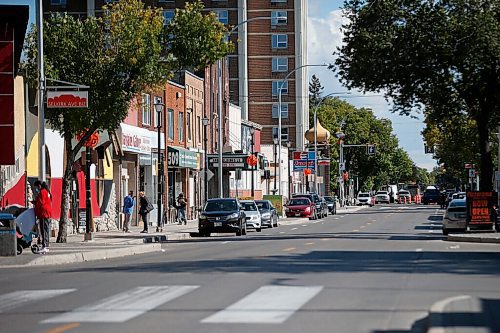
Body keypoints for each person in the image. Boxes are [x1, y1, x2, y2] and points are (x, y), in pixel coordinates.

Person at [33, 181, 52, 254]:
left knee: (43, 230)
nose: (37, 189)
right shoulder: (46, 192)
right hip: (46, 213)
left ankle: (44, 246)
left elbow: (41, 202)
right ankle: (46, 245)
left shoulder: (42, 192)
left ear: (40, 185)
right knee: (46, 229)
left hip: (43, 214)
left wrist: (35, 203)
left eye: (37, 187)